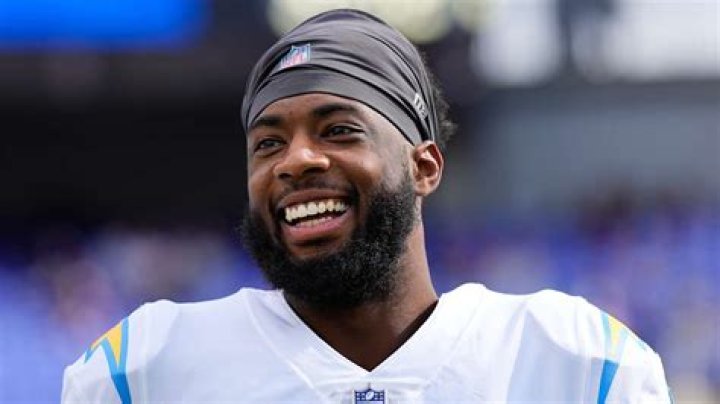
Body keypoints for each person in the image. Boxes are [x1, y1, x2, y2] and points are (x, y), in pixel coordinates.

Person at [62, 9, 671, 403]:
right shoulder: (147, 367)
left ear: (424, 166)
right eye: (268, 143)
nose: (296, 160)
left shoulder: (574, 362)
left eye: (339, 130)